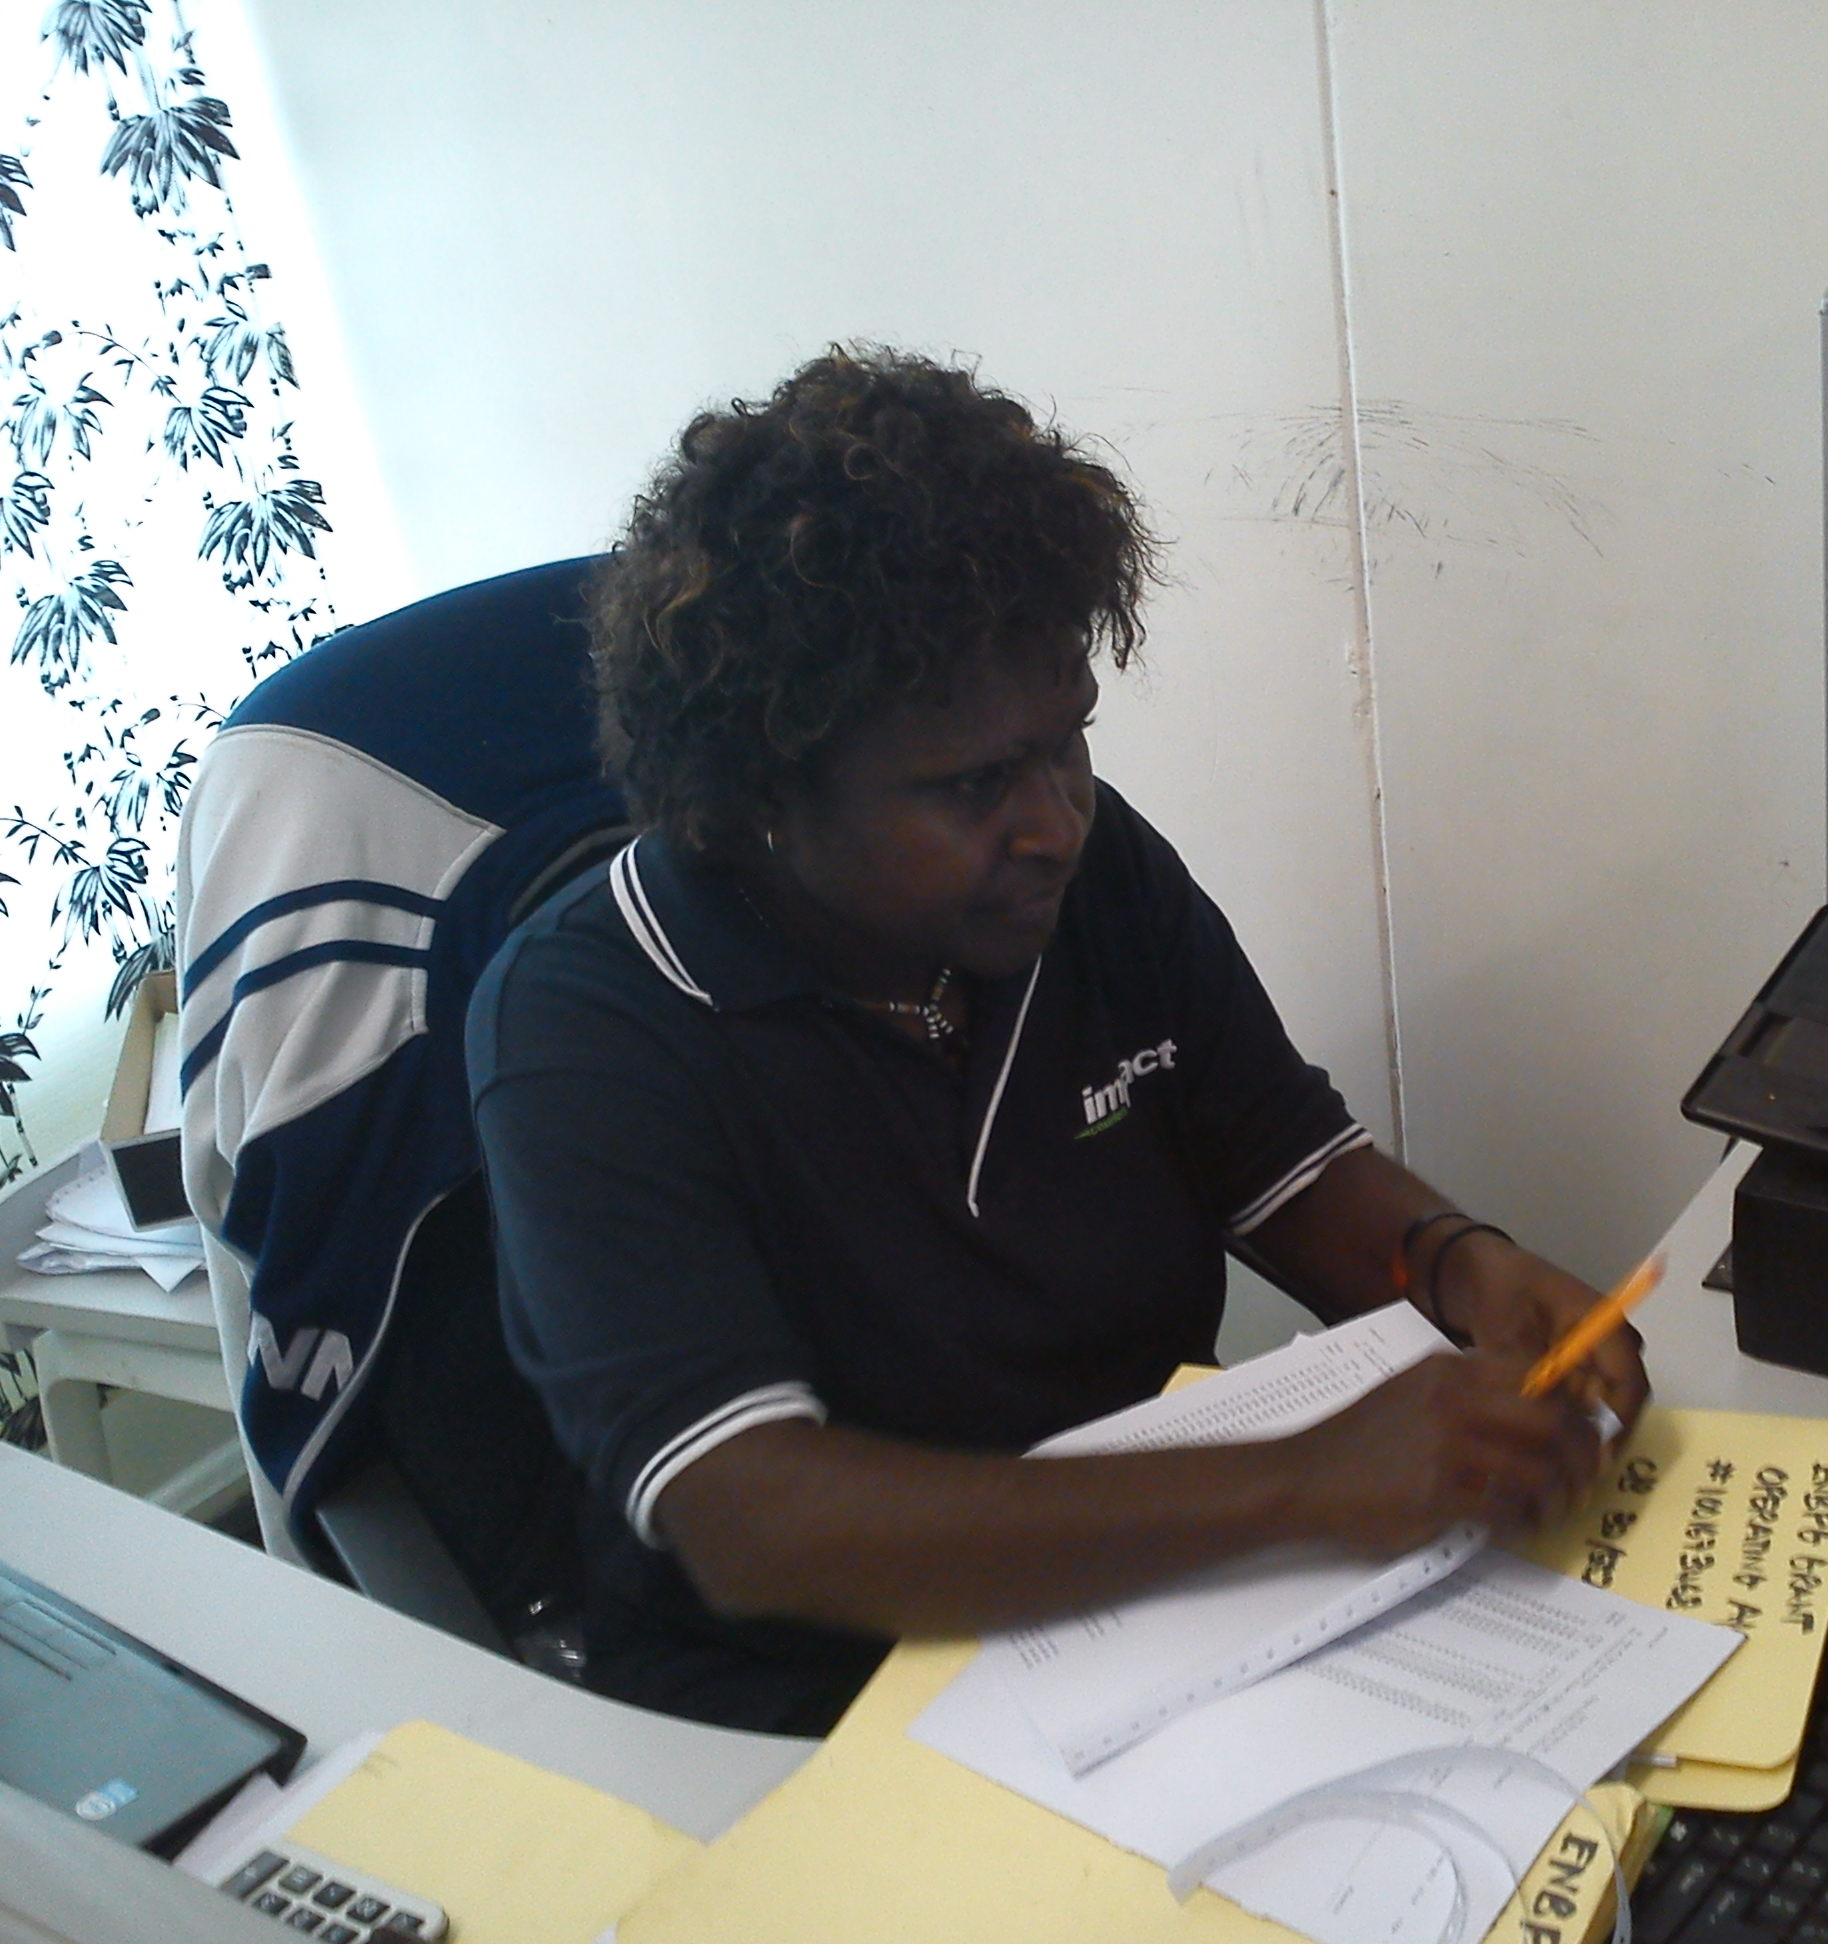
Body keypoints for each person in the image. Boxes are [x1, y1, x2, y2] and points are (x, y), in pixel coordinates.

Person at [465, 346, 1649, 1733]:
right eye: (974, 784)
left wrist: (1454, 1265)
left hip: (1159, 1599)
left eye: (1067, 743)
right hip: (830, 1705)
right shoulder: (586, 1029)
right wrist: (1306, 1481)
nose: (1057, 821)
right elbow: (757, 1522)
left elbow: (1283, 1166)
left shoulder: (1082, 878)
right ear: (760, 796)